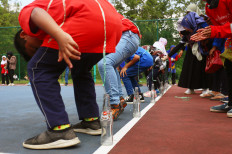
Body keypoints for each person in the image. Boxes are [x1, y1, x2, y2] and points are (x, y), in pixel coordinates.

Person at [16, 0, 122, 150]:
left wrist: (59, 34)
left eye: (34, 48)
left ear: (24, 34)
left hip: (88, 21)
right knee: (80, 69)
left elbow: (35, 12)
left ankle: (59, 131)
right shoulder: (58, 11)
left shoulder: (27, 14)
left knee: (39, 67)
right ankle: (91, 121)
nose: (40, 47)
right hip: (113, 27)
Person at [191, 0, 232, 118]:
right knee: (229, 65)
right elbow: (220, 28)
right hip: (229, 39)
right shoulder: (209, 7)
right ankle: (230, 103)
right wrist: (210, 29)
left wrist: (215, 30)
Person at [97, 13, 140, 120]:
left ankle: (114, 104)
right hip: (128, 36)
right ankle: (120, 99)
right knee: (112, 64)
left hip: (127, 36)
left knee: (105, 63)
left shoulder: (90, 9)